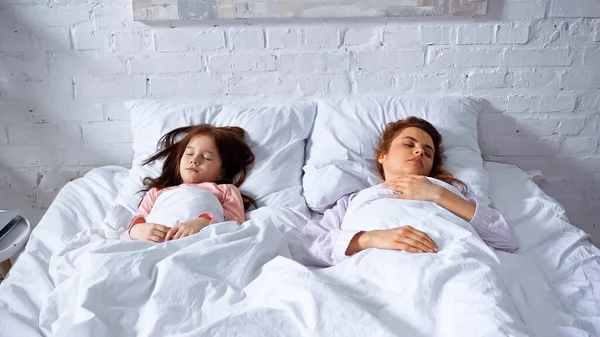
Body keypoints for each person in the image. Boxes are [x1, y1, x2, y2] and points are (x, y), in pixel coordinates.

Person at [301, 116, 518, 267]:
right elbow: (311, 246)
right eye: (408, 144)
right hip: (378, 270)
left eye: (428, 152)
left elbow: (505, 239)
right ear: (382, 155)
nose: (419, 151)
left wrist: (437, 194)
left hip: (456, 264)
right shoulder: (355, 200)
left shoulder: (449, 193)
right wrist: (370, 238)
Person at [120, 124, 256, 242]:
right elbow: (132, 228)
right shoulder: (156, 193)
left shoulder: (226, 190)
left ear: (220, 171)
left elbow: (235, 224)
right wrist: (137, 231)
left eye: (206, 157)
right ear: (179, 161)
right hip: (157, 245)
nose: (194, 160)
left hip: (199, 244)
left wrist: (202, 222)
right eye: (189, 154)